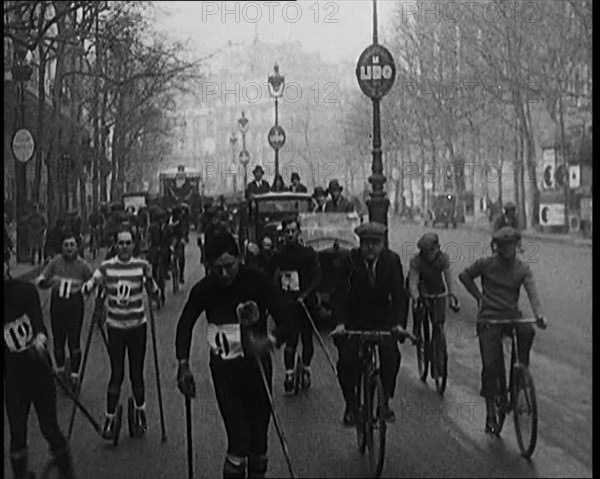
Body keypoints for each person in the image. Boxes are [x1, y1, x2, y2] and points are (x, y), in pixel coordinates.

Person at [175, 232, 290, 478]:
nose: (224, 274)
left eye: (229, 266)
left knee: (259, 440)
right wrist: (183, 365)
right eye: (217, 269)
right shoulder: (205, 289)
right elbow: (185, 324)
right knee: (238, 440)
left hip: (257, 369)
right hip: (225, 372)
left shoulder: (258, 281)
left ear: (239, 258)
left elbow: (287, 321)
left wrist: (268, 341)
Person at [458, 226, 547, 434]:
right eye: (502, 246)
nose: (507, 250)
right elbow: (465, 276)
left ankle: (520, 372)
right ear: (496, 247)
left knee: (527, 331)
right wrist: (479, 297)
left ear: (517, 246)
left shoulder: (522, 269)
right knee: (491, 365)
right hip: (489, 318)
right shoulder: (486, 264)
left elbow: (532, 292)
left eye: (511, 245)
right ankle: (490, 410)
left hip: (511, 316)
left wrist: (539, 314)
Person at [4, 247, 76, 479]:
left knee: (49, 427)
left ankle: (66, 471)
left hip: (38, 370)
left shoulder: (25, 291)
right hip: (13, 377)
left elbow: (38, 322)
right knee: (16, 433)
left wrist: (40, 339)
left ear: (6, 265)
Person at [82, 229, 159, 441]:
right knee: (117, 373)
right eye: (121, 243)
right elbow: (94, 281)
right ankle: (110, 417)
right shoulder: (107, 267)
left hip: (137, 327)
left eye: (128, 243)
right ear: (115, 245)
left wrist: (151, 281)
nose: (124, 247)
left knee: (137, 373)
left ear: (134, 245)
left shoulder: (141, 266)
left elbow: (155, 293)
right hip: (116, 327)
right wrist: (89, 287)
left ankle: (141, 413)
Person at [331, 222, 409, 425]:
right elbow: (339, 295)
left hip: (383, 319)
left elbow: (400, 295)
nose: (371, 248)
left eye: (376, 243)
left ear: (383, 244)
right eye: (366, 243)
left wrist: (400, 324)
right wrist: (340, 323)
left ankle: (385, 402)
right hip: (353, 319)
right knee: (347, 361)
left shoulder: (392, 261)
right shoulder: (348, 261)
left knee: (391, 357)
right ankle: (351, 404)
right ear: (360, 244)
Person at [35, 232, 94, 392]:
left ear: (77, 247)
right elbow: (42, 278)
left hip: (75, 307)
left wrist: (89, 288)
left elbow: (93, 280)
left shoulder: (82, 265)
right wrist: (44, 282)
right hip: (58, 307)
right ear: (62, 247)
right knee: (58, 341)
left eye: (72, 245)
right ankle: (60, 371)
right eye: (66, 245)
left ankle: (74, 375)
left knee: (74, 342)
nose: (69, 248)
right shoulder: (55, 263)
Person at [270, 218, 321, 393]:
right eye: (287, 231)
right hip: (288, 303)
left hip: (306, 303)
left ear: (299, 232)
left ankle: (306, 368)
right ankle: (289, 374)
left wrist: (306, 295)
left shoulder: (308, 253)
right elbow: (270, 275)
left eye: (293, 231)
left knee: (307, 339)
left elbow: (316, 277)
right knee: (291, 339)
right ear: (283, 234)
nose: (290, 234)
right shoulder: (279, 255)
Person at [407, 233, 459, 377]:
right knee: (418, 309)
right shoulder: (416, 261)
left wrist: (452, 295)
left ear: (438, 248)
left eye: (432, 250)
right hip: (422, 288)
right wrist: (416, 297)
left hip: (437, 288)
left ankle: (438, 356)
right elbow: (413, 282)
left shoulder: (443, 259)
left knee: (438, 322)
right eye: (425, 251)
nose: (429, 254)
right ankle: (417, 332)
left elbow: (449, 278)